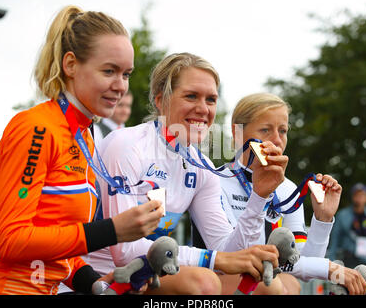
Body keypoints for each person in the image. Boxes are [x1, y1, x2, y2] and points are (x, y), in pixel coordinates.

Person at [0, 5, 163, 295]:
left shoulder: (85, 136)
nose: (120, 85)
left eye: (126, 74)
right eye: (109, 71)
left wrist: (95, 282)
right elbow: (10, 240)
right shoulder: (37, 127)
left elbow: (57, 239)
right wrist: (112, 231)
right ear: (70, 65)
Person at [84, 53, 286, 294]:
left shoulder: (202, 167)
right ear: (160, 100)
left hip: (153, 272)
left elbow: (231, 253)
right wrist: (213, 260)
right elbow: (124, 251)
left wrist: (260, 196)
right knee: (204, 282)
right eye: (191, 96)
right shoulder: (127, 145)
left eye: (211, 100)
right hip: (97, 275)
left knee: (269, 287)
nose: (203, 109)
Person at [209, 92, 366, 295]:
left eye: (283, 131)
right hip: (220, 281)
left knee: (290, 283)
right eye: (266, 130)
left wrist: (323, 218)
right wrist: (331, 268)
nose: (276, 140)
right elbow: (233, 257)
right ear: (238, 132)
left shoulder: (288, 189)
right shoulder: (216, 180)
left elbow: (301, 263)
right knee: (271, 286)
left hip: (272, 285)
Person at [328, 183, 366, 274]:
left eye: (363, 195)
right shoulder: (342, 215)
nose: (360, 198)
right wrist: (331, 263)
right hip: (347, 261)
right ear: (352, 197)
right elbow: (334, 240)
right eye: (357, 195)